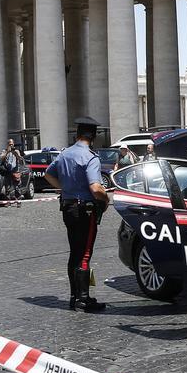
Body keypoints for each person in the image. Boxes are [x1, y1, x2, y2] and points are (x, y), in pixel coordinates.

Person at [44, 117, 110, 312]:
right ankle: (83, 299)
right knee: (85, 253)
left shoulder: (65, 154)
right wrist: (105, 199)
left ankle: (75, 296)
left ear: (77, 135)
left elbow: (49, 174)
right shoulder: (90, 157)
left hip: (68, 207)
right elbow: (96, 187)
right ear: (93, 136)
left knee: (75, 252)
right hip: (85, 209)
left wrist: (65, 189)